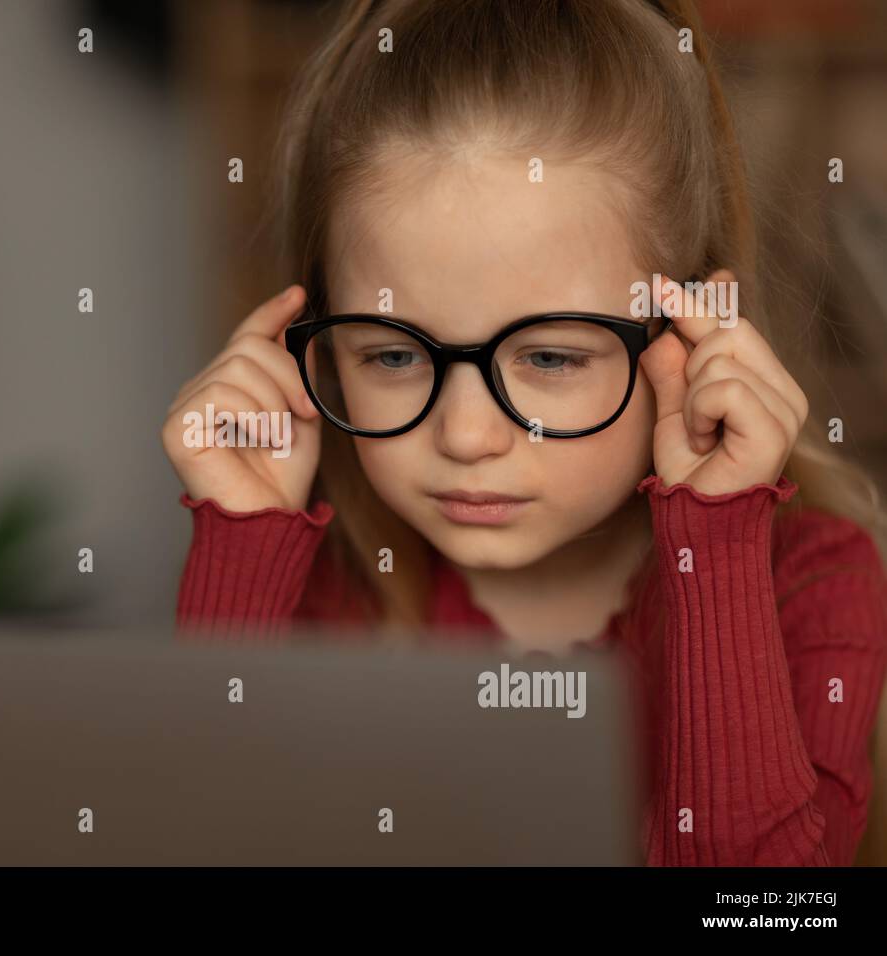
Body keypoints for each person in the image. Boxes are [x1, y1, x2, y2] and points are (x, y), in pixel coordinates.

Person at [160, 0, 887, 866]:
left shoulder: (811, 584)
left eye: (548, 357)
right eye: (394, 356)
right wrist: (241, 553)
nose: (466, 436)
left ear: (695, 336)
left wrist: (715, 545)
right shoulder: (320, 591)